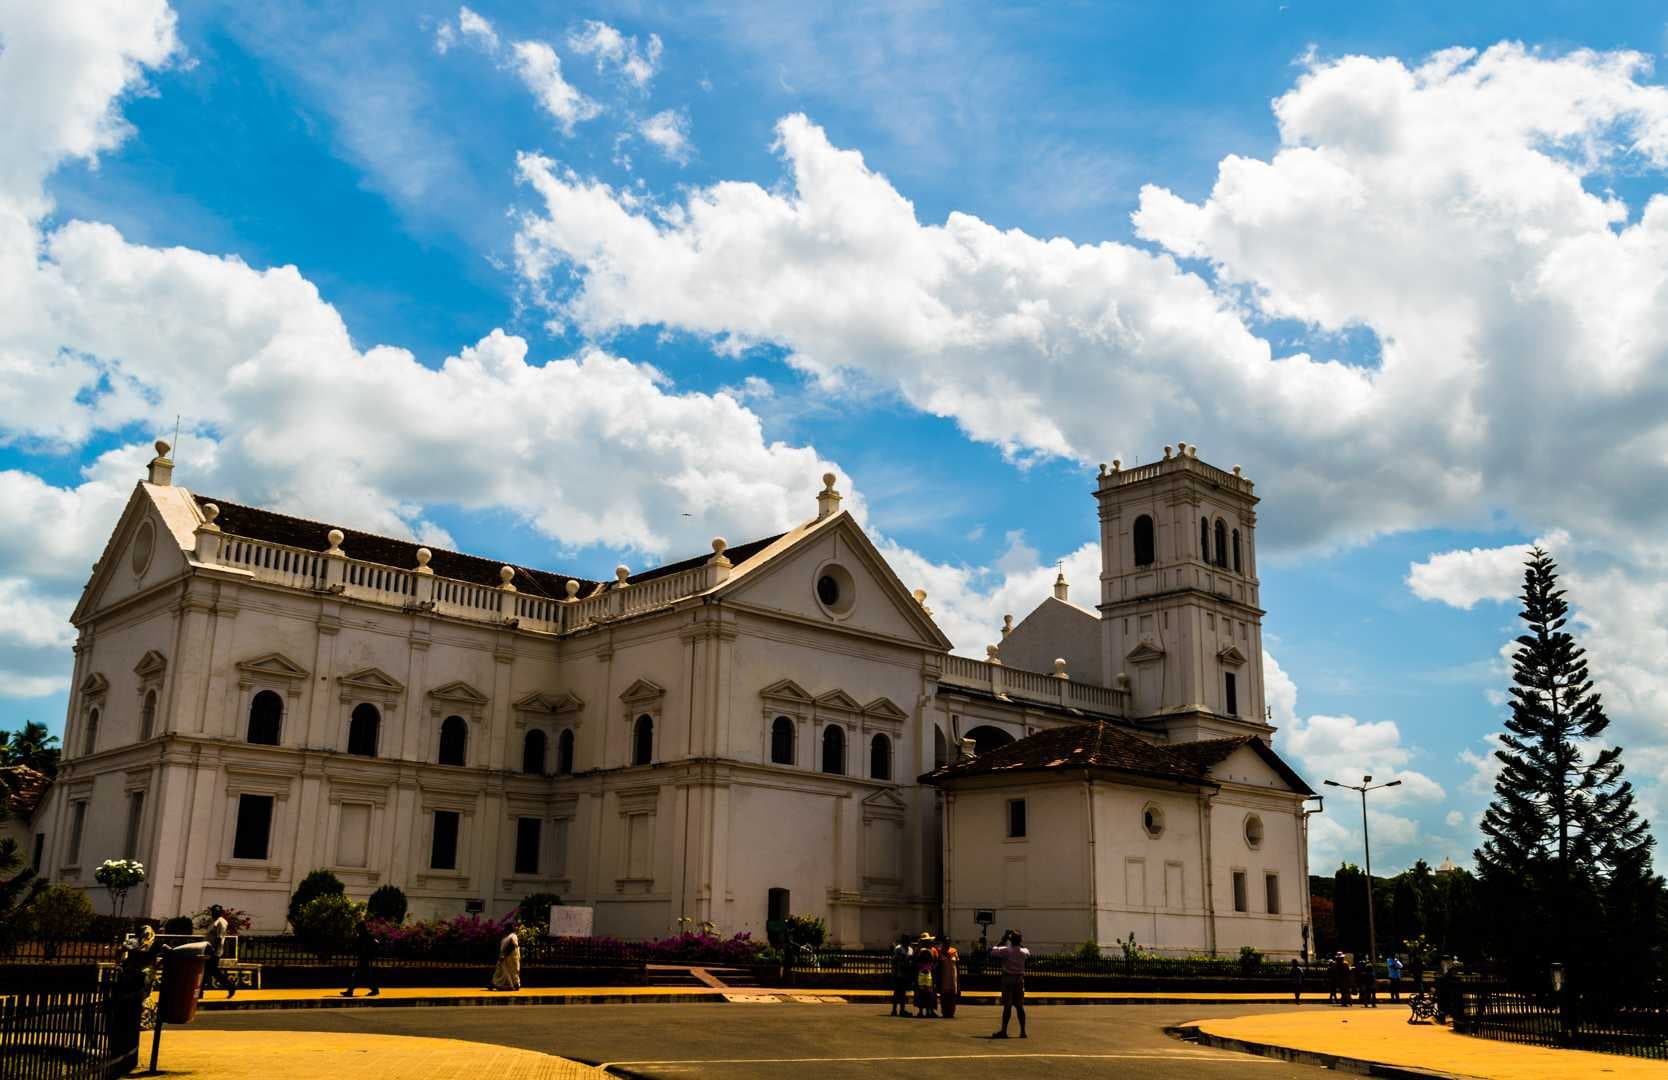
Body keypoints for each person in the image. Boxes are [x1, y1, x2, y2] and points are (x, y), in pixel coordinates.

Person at [989, 929, 1029, 1039]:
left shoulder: (1006, 950)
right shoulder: (1024, 951)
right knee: (1020, 1006)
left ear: (1010, 940)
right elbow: (1025, 949)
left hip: (1008, 979)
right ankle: (1023, 1031)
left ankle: (1004, 1030)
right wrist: (1017, 940)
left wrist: (1004, 938)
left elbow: (993, 951)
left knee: (1007, 1006)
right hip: (1019, 979)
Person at [200, 905, 237, 999]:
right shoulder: (214, 922)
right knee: (207, 971)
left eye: (216, 912)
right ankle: (200, 992)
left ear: (220, 912)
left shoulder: (221, 922)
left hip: (214, 951)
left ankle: (230, 986)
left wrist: (214, 950)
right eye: (213, 911)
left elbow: (219, 938)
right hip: (208, 949)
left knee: (212, 971)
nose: (214, 913)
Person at [341, 918, 381, 997]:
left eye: (358, 928)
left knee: (358, 975)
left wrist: (369, 953)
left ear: (361, 928)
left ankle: (350, 991)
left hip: (364, 958)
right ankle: (374, 989)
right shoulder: (363, 936)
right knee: (363, 976)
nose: (357, 930)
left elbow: (376, 943)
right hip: (363, 958)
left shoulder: (366, 936)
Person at [890, 934, 915, 1017]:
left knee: (903, 993)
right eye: (906, 940)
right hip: (899, 973)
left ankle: (902, 1010)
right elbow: (894, 961)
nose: (908, 942)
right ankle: (894, 1010)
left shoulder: (910, 949)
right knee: (897, 992)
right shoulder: (898, 949)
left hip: (906, 974)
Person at [914, 933, 939, 1017]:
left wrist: (932, 969)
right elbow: (915, 961)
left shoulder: (933, 950)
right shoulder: (919, 950)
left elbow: (936, 962)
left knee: (930, 993)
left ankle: (930, 1010)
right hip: (921, 974)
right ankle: (921, 1011)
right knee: (921, 992)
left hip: (930, 973)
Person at [490, 926, 521, 991]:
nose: (504, 930)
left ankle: (511, 984)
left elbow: (512, 946)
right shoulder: (508, 936)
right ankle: (512, 984)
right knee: (504, 970)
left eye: (505, 929)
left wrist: (504, 955)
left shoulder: (512, 936)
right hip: (508, 957)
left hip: (510, 957)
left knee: (510, 971)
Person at [938, 938, 961, 1019]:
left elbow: (957, 966)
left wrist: (958, 980)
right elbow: (938, 966)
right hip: (944, 978)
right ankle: (944, 1012)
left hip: (952, 977)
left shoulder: (954, 952)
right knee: (944, 996)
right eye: (945, 942)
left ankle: (951, 1012)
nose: (947, 944)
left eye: (948, 942)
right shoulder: (940, 952)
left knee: (952, 996)